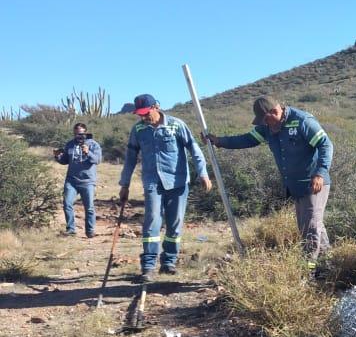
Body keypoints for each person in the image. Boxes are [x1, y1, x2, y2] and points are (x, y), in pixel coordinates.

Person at [207, 96, 333, 269]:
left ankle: (307, 271)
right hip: (295, 186)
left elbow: (325, 145)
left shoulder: (302, 121)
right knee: (311, 226)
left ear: (275, 111)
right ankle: (328, 265)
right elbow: (247, 139)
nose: (264, 124)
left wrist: (319, 173)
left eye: (266, 119)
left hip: (314, 184)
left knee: (310, 228)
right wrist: (221, 141)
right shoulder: (267, 127)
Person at [118, 94, 212, 281]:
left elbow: (194, 148)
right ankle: (149, 265)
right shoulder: (138, 129)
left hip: (177, 181)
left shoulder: (176, 125)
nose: (143, 117)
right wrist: (125, 184)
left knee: (175, 222)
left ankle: (169, 262)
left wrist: (203, 173)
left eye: (146, 113)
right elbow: (130, 158)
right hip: (152, 181)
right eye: (140, 114)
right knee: (152, 220)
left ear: (156, 107)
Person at [53, 122, 102, 237]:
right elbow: (65, 161)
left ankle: (90, 231)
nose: (77, 136)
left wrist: (88, 152)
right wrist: (57, 156)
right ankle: (71, 229)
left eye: (80, 133)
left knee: (89, 207)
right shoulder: (70, 144)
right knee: (67, 204)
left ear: (85, 132)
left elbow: (97, 160)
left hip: (87, 181)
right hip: (71, 180)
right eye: (75, 134)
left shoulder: (94, 145)